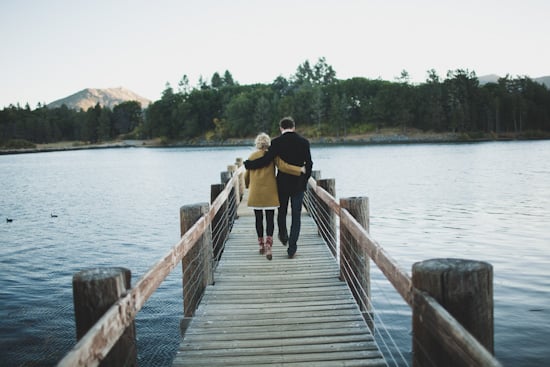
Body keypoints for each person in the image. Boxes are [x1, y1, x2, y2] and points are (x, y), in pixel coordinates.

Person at [245, 117, 313, 258]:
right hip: (299, 185)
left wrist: (249, 164)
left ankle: (283, 235)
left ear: (281, 128)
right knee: (296, 216)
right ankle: (292, 248)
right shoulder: (304, 142)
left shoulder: (276, 142)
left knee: (281, 213)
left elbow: (265, 160)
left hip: (282, 185)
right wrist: (304, 180)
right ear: (293, 127)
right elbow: (310, 164)